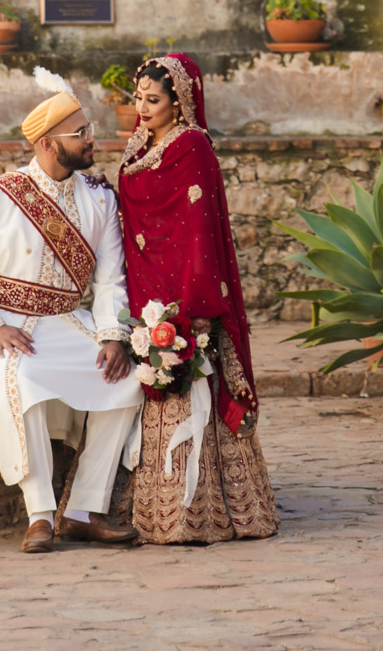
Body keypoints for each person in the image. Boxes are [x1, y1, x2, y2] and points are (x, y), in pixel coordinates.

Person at [0, 87, 143, 553]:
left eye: (89, 129)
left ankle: (82, 510)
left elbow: (112, 280)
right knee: (21, 375)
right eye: (81, 133)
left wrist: (112, 337)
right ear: (48, 145)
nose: (92, 139)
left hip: (64, 320)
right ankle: (40, 514)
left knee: (131, 378)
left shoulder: (100, 201)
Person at [116, 53, 280, 543]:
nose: (141, 108)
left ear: (180, 102)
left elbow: (198, 231)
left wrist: (192, 306)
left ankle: (203, 511)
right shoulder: (142, 144)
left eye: (153, 100)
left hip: (187, 286)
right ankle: (153, 507)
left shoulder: (193, 149)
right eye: (138, 99)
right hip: (147, 284)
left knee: (193, 386)